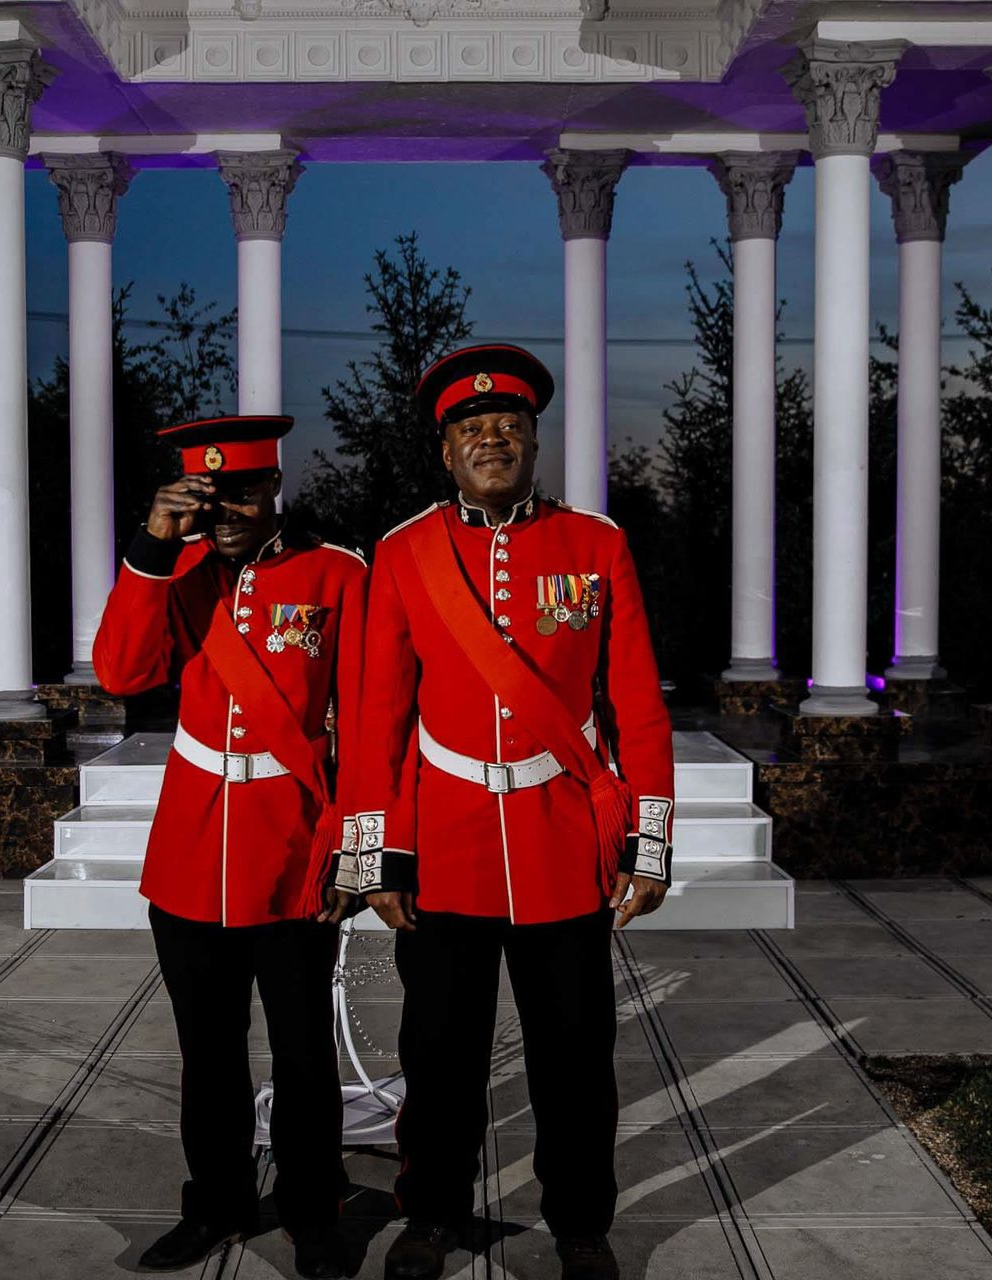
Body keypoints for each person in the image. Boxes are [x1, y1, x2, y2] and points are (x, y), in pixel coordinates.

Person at [345, 345, 676, 1280]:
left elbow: (637, 709)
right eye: (470, 429)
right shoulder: (405, 553)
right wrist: (378, 857)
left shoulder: (595, 545)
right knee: (439, 1055)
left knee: (575, 1060)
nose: (491, 439)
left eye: (508, 426)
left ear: (533, 440)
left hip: (563, 843)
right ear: (445, 451)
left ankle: (581, 1223)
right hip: (445, 846)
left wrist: (646, 846)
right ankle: (433, 1214)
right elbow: (379, 719)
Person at [93, 413, 366, 1279]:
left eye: (245, 489)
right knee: (207, 1052)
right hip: (191, 848)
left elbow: (363, 721)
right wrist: (149, 545)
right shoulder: (173, 572)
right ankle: (216, 1203)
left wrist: (352, 849)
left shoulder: (334, 572)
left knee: (303, 1052)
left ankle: (314, 1209)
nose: (229, 508)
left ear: (275, 486)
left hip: (293, 846)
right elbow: (121, 674)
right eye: (211, 493)